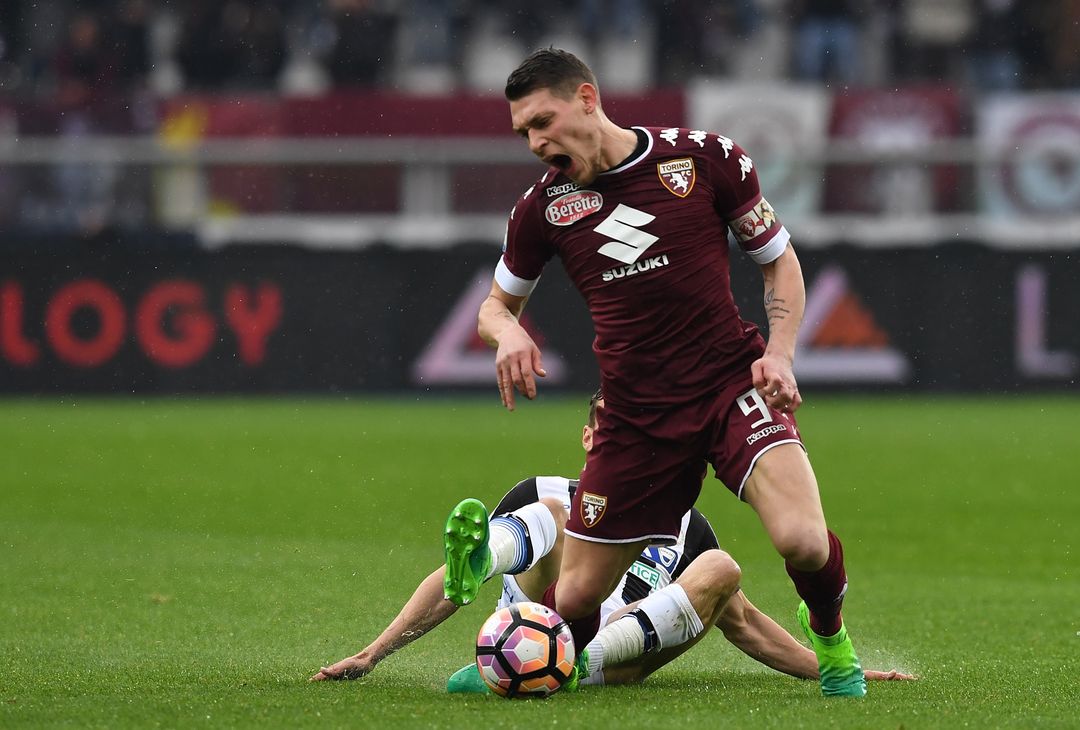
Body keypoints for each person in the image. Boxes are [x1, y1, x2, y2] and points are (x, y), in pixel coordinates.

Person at [465, 47, 868, 697]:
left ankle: (829, 636)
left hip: (729, 385)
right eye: (524, 133)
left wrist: (781, 353)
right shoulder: (541, 210)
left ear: (588, 100)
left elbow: (780, 262)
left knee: (803, 542)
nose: (537, 143)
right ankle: (546, 665)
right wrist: (508, 330)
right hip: (634, 418)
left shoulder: (706, 159)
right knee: (574, 599)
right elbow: (493, 305)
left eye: (544, 122)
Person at [313, 392, 913, 689]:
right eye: (611, 432)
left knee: (722, 569)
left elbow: (746, 624)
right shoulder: (539, 489)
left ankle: (574, 662)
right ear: (588, 438)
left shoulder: (685, 523)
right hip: (521, 625)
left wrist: (825, 669)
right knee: (553, 510)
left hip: (609, 660)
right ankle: (488, 559)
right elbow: (448, 588)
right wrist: (373, 653)